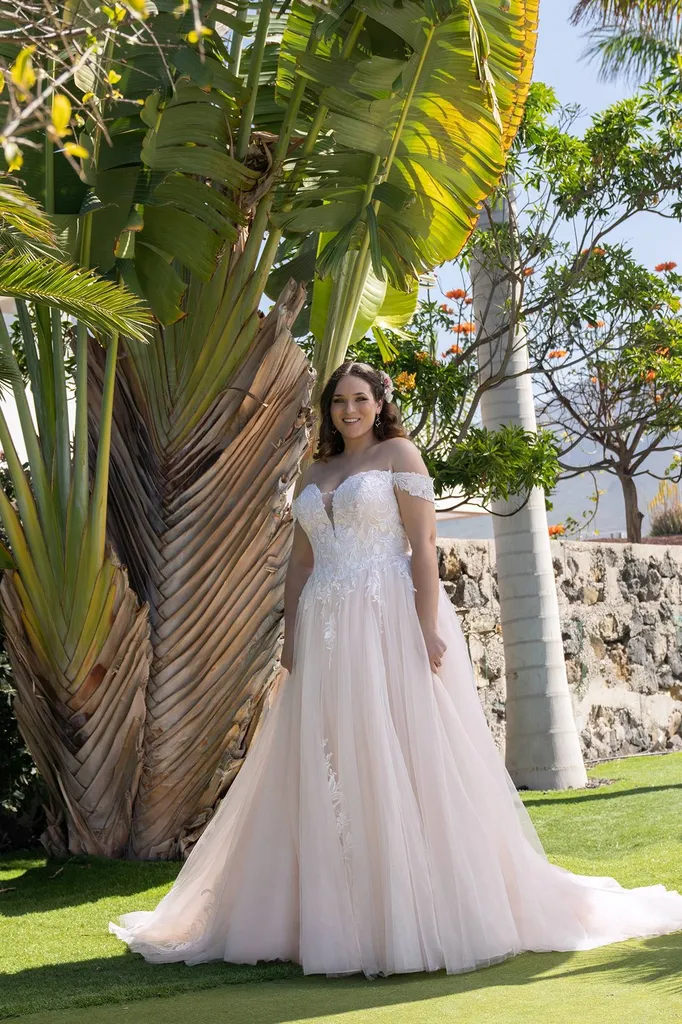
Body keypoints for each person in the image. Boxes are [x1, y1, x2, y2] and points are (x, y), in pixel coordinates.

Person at [110, 361, 682, 978]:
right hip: (324, 627)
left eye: (359, 399)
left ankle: (412, 912)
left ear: (380, 403)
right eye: (337, 401)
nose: (348, 410)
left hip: (384, 618)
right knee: (332, 757)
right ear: (328, 410)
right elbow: (300, 565)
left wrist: (427, 625)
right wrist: (292, 640)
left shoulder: (400, 457)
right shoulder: (316, 471)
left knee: (400, 752)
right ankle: (329, 911)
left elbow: (424, 547)